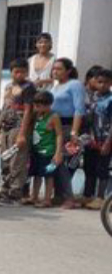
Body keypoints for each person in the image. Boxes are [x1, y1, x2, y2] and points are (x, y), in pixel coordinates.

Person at [0, 59, 34, 205]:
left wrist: (23, 133)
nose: (19, 74)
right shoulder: (9, 87)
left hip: (18, 127)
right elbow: (4, 108)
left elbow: (29, 110)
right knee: (5, 159)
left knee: (17, 161)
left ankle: (15, 193)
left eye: (23, 71)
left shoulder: (28, 87)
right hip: (6, 127)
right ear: (11, 72)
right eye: (16, 71)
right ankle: (5, 189)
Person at [48, 57, 86, 208]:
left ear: (68, 71)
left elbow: (79, 109)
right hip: (55, 128)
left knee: (62, 163)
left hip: (68, 126)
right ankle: (58, 195)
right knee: (55, 163)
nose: (55, 71)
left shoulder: (75, 85)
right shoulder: (55, 87)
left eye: (59, 69)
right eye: (54, 69)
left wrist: (74, 132)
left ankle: (69, 197)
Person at [25, 91, 64, 207]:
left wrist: (58, 153)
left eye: (40, 106)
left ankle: (47, 199)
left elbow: (59, 135)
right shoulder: (37, 115)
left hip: (48, 152)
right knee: (36, 175)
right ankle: (34, 196)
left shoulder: (53, 117)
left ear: (48, 105)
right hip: (37, 151)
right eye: (36, 106)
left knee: (48, 175)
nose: (37, 108)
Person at [80, 67, 111, 208]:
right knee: (89, 167)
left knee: (102, 169)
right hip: (91, 139)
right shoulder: (93, 98)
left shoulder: (110, 100)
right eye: (99, 82)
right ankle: (88, 195)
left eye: (106, 82)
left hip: (105, 139)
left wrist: (108, 143)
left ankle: (100, 198)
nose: (102, 85)